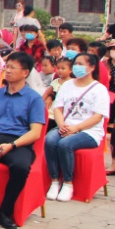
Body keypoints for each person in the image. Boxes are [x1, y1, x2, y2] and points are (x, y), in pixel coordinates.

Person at [0, 52, 47, 229]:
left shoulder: (34, 98)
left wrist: (12, 145)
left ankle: (5, 212)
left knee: (21, 167)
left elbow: (36, 132)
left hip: (19, 142)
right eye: (6, 67)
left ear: (25, 73)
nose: (7, 71)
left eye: (13, 68)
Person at [44, 52, 110, 202]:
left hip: (89, 131)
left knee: (65, 144)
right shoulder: (67, 85)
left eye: (81, 64)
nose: (77, 67)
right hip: (66, 126)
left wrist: (77, 128)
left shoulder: (99, 89)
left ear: (92, 67)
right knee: (49, 140)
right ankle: (54, 181)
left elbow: (98, 117)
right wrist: (61, 125)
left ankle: (68, 183)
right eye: (75, 64)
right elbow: (58, 109)